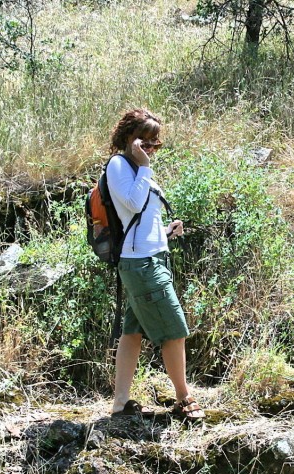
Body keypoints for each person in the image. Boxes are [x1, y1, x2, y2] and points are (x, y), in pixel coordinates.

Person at [106, 108, 204, 421]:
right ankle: (184, 398)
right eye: (143, 141)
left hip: (151, 258)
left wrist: (165, 232)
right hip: (142, 264)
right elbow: (132, 204)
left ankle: (121, 403)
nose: (148, 148)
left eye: (153, 143)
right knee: (175, 331)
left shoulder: (137, 171)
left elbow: (141, 221)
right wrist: (145, 167)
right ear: (128, 138)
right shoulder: (119, 166)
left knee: (132, 332)